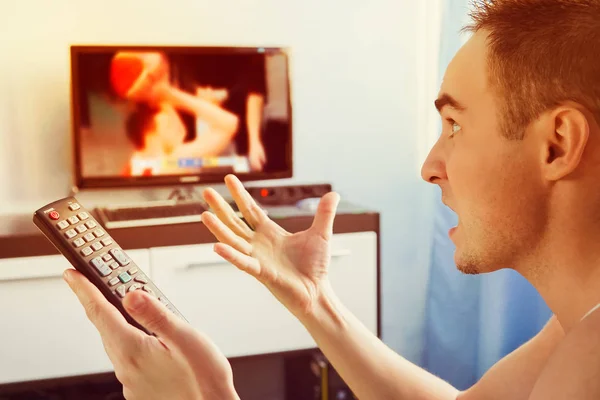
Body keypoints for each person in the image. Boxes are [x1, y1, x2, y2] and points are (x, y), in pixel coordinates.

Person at [62, 0, 600, 399]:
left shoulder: (589, 362)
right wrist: (313, 300)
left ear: (557, 144)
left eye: (455, 125)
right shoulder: (577, 328)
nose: (430, 167)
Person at [111, 51, 240, 176]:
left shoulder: (137, 162)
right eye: (171, 115)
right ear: (156, 127)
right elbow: (229, 123)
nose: (178, 120)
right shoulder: (173, 162)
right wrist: (169, 93)